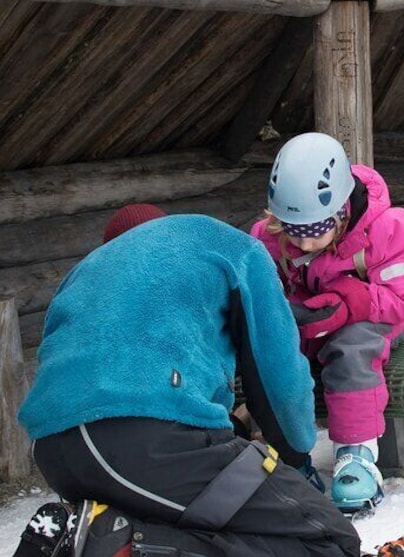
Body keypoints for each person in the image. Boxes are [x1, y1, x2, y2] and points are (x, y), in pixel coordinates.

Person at [15, 204, 360, 557]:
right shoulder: (234, 248)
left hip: (55, 450)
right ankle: (121, 548)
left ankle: (80, 541)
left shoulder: (82, 272)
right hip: (145, 437)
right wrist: (293, 457)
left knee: (175, 523)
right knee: (330, 540)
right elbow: (280, 379)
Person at [250, 132, 404, 514]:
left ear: (343, 209)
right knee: (268, 350)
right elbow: (261, 284)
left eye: (316, 231)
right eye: (294, 232)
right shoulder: (270, 238)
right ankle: (286, 452)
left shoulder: (389, 229)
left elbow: (403, 298)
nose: (307, 244)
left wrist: (354, 301)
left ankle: (357, 452)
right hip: (309, 320)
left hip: (375, 317)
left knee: (350, 350)